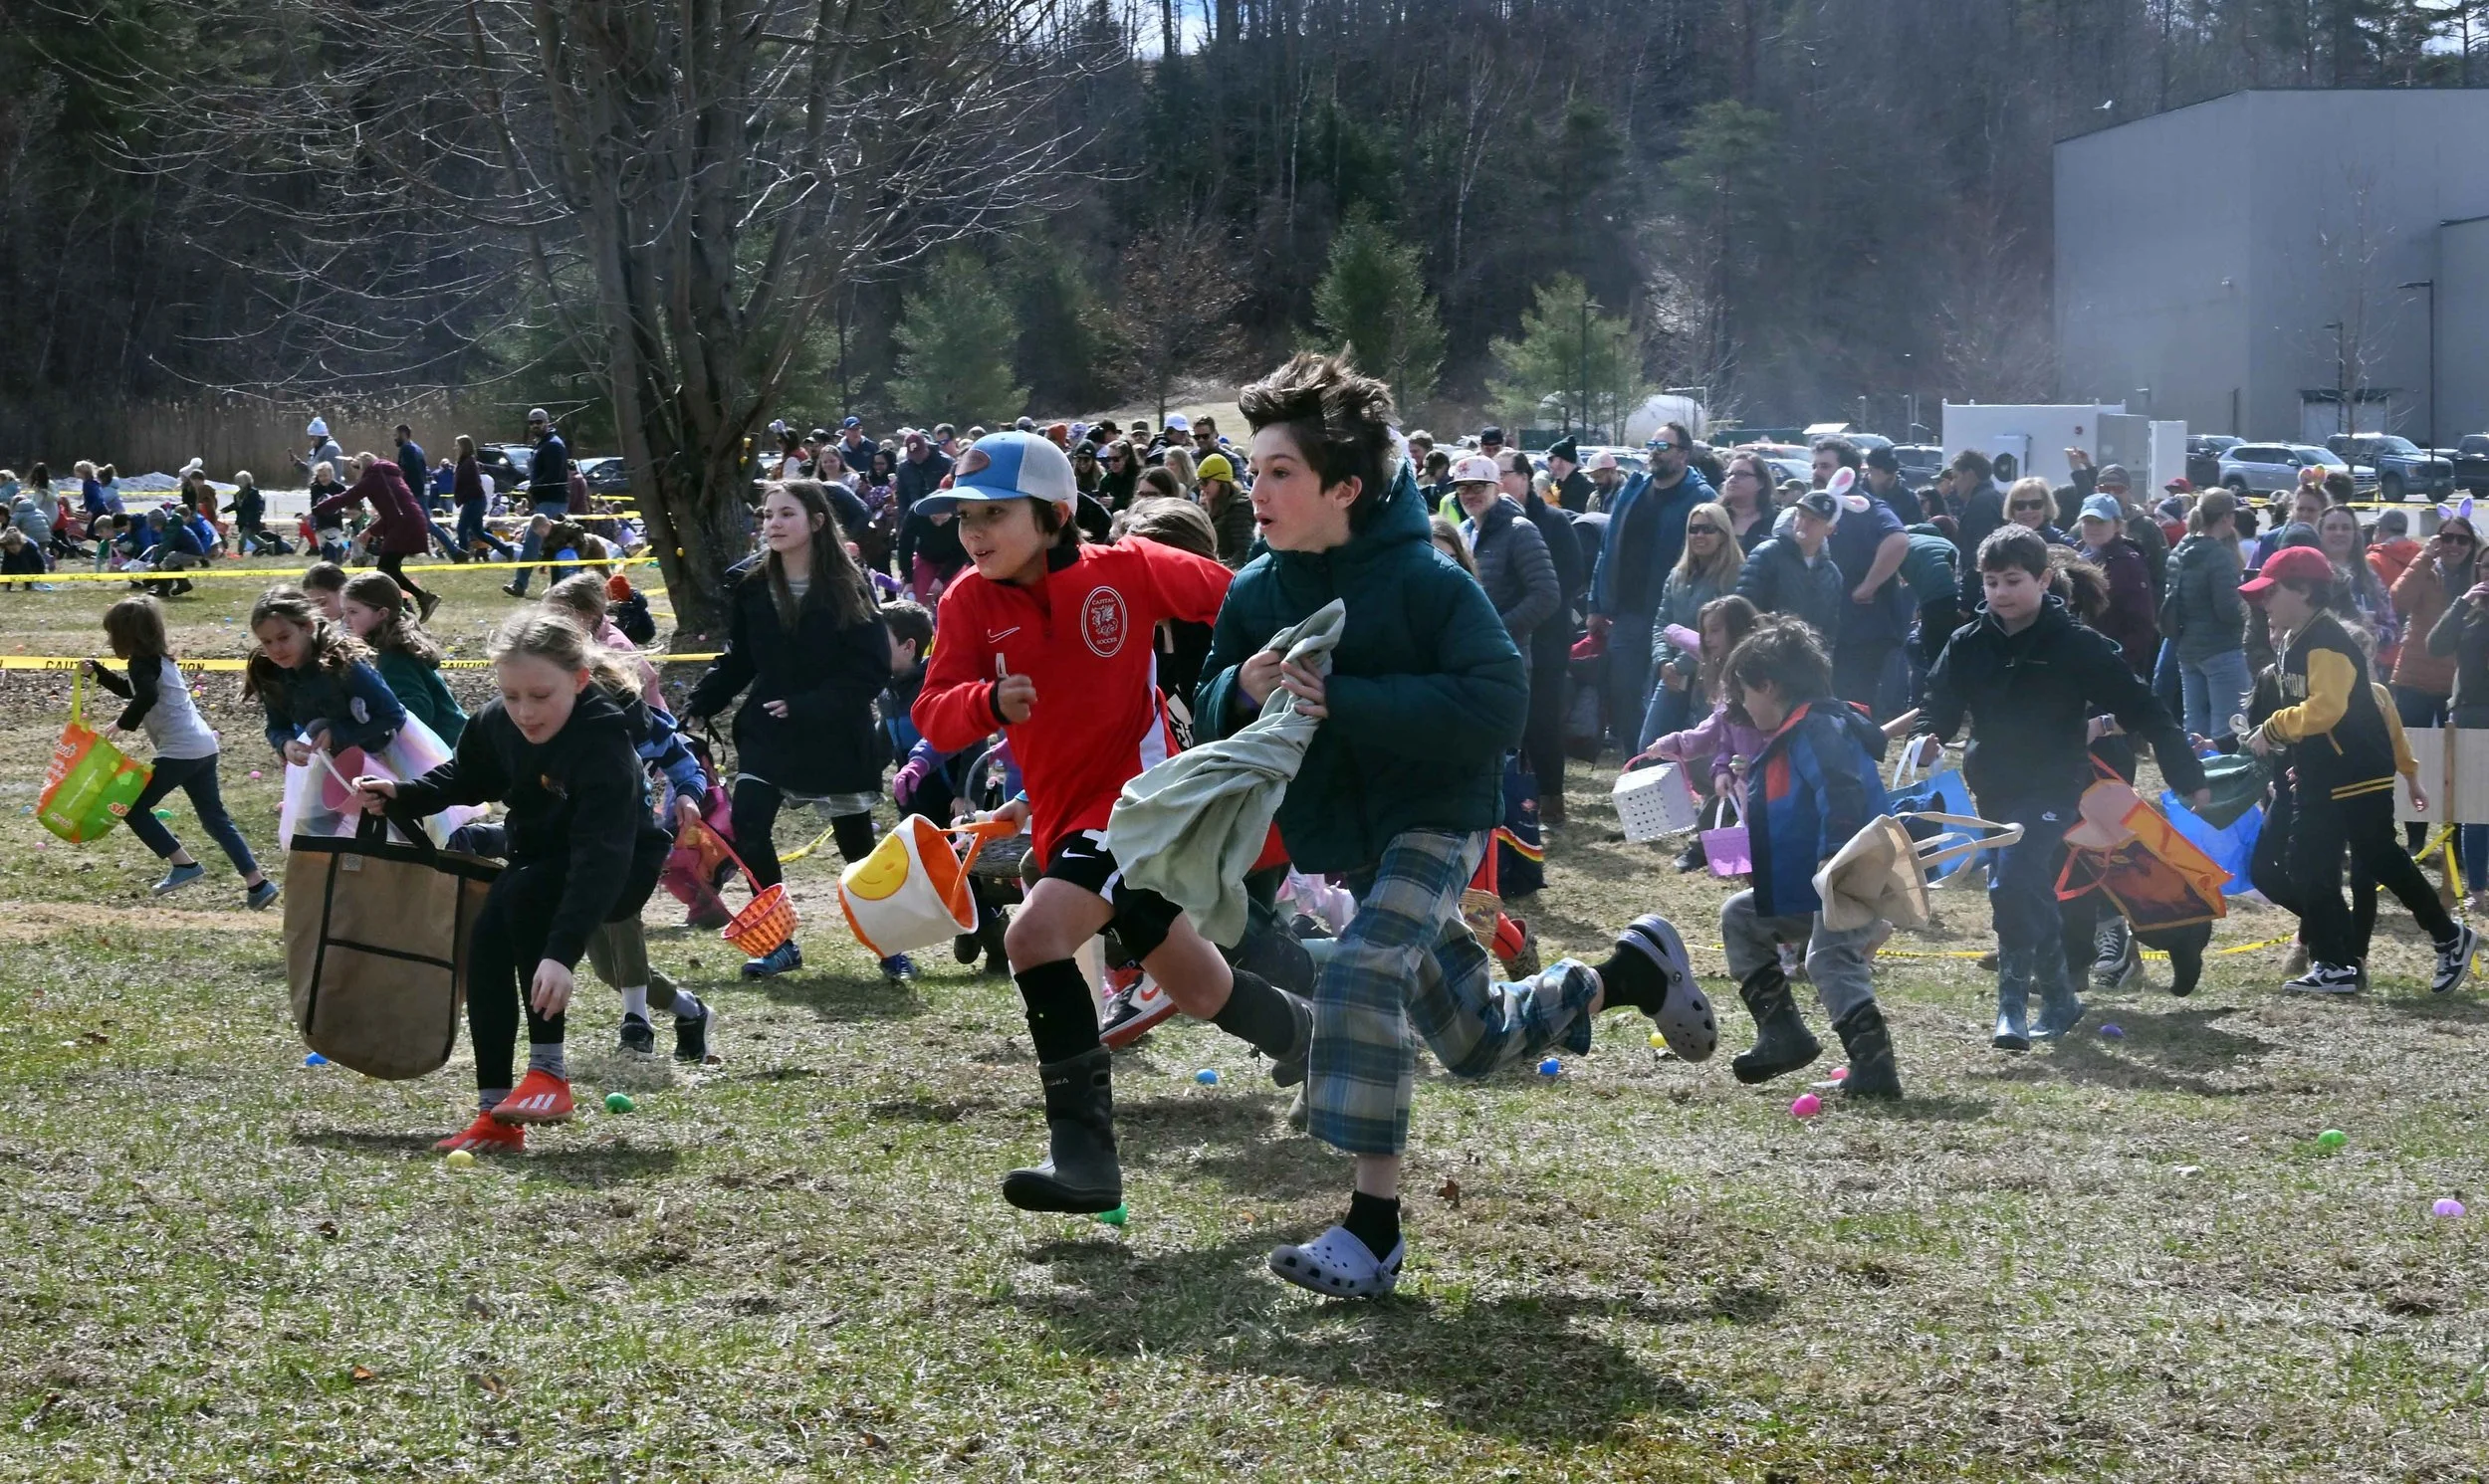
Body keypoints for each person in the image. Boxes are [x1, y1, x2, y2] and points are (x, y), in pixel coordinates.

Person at [1197, 355, 1714, 1299]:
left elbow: (1498, 702)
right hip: (1351, 839)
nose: (1254, 488)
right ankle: (1630, 971)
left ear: (1344, 487)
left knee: (1357, 973)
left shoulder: (1428, 580)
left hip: (1438, 818)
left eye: (1280, 471)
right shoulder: (1253, 591)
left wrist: (1346, 697)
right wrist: (1242, 685)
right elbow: (1207, 705)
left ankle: (1372, 1233)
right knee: (1474, 1042)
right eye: (1253, 465)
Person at [911, 429, 1316, 1217]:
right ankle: (1311, 1034)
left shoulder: (1126, 569)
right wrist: (987, 703)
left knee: (1033, 935)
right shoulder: (965, 599)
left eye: (994, 513)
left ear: (1056, 513)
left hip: (1144, 806)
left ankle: (1084, 1157)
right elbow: (934, 709)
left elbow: (1241, 594)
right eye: (962, 516)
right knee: (1195, 985)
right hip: (1064, 819)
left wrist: (1260, 666)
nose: (973, 533)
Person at [352, 609, 674, 1153]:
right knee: (486, 942)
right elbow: (469, 775)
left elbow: (602, 853)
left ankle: (549, 1075)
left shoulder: (601, 739)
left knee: (522, 896)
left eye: (540, 696)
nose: (524, 711)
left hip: (619, 867)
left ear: (578, 680)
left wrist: (562, 953)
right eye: (511, 694)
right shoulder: (497, 721)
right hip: (541, 857)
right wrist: (404, 795)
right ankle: (495, 1117)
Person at [1912, 527, 2208, 1049]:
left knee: (2015, 879)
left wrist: (2187, 775)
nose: (2001, 593)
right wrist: (1926, 736)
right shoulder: (1967, 643)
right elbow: (1940, 701)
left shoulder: (2076, 645)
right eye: (1991, 582)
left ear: (2045, 579)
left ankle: (2015, 1006)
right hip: (1995, 783)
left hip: (2054, 783)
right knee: (2018, 886)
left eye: (2013, 580)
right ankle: (2060, 997)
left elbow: (2147, 709)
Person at [683, 481, 905, 981]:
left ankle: (889, 945)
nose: (774, 524)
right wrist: (700, 706)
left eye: (786, 514)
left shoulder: (851, 584)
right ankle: (779, 943)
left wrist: (809, 706)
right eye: (767, 515)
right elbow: (739, 659)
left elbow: (870, 670)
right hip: (768, 729)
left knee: (855, 850)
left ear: (817, 522)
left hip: (836, 731)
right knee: (751, 825)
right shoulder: (751, 585)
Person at [2244, 545, 2477, 992]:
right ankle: (2342, 963)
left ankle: (2434, 941)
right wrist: (2301, 759)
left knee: (2365, 858)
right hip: (2325, 773)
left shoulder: (2325, 640)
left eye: (2272, 592)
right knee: (2318, 863)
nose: (2263, 602)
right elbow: (2309, 712)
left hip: (2355, 771)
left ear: (2305, 591)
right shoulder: (2295, 639)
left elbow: (2326, 709)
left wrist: (2273, 729)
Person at [1711, 616, 1905, 1096]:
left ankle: (1875, 1070)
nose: (1743, 707)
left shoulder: (1820, 728)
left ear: (1769, 685)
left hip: (1850, 871)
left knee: (1830, 956)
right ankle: (1783, 1036)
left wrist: (1834, 858)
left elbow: (1842, 792)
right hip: (1811, 882)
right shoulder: (1793, 733)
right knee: (1741, 916)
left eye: (1745, 694)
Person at [86, 596, 280, 906]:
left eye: (112, 634)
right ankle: (258, 884)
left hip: (180, 751)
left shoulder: (141, 664)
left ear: (125, 634)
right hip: (203, 747)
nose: (110, 640)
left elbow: (145, 695)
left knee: (133, 809)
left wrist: (122, 724)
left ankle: (183, 864)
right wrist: (98, 671)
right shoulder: (159, 660)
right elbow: (133, 691)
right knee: (215, 819)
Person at [1589, 423, 1713, 752]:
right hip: (1628, 614)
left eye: (1664, 446)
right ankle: (1637, 768)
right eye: (1652, 444)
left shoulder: (1701, 498)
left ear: (1683, 454)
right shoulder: (1634, 490)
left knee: (1668, 701)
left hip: (1677, 618)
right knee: (1626, 696)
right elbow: (1608, 548)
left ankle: (1671, 773)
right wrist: (1596, 604)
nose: (1654, 451)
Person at [245, 585, 408, 782]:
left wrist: (338, 732)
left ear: (308, 627)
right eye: (267, 642)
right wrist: (285, 744)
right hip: (329, 766)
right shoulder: (271, 674)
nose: (276, 649)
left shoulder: (343, 665)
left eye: (283, 637)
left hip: (381, 759)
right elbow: (277, 726)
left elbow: (392, 714)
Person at [1504, 448, 1586, 820]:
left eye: (1504, 474)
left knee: (1542, 720)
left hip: (1547, 639)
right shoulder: (1491, 526)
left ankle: (1552, 799)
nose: (1499, 482)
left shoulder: (1553, 522)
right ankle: (1517, 800)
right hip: (1506, 641)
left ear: (1524, 476)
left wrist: (1530, 612)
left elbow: (1569, 578)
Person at [1814, 443, 1911, 718]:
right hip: (1832, 629)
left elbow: (1898, 540)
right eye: (1815, 466)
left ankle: (1854, 758)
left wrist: (1868, 585)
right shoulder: (1822, 507)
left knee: (1851, 706)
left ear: (1846, 472)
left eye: (1825, 466)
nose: (1817, 472)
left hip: (1862, 631)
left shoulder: (1863, 507)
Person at [1643, 500, 1745, 753]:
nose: (1699, 535)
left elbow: (1728, 632)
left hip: (1714, 676)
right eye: (1694, 528)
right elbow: (1661, 623)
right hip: (1672, 674)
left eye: (1708, 529)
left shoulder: (1736, 575)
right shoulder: (1677, 575)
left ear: (1723, 535)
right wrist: (1663, 662)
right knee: (1651, 745)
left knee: (1708, 753)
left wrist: (1680, 666)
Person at [1453, 455, 1560, 667]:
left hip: (1507, 658)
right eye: (1462, 488)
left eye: (1478, 487)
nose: (1469, 495)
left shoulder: (1520, 530)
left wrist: (1497, 631)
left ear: (1498, 488)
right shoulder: (1463, 531)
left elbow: (1547, 595)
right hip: (1468, 656)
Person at [2427, 550, 2489, 911]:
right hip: (2470, 716)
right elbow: (2435, 646)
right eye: (2485, 566)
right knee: (2476, 808)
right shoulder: (2468, 613)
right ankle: (2478, 892)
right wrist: (2462, 603)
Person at [339, 572, 467, 746]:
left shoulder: (395, 656)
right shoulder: (389, 646)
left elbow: (419, 707)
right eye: (344, 612)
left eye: (353, 612)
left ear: (382, 614)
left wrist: (375, 718)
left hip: (448, 747)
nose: (345, 620)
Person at [2162, 489, 2252, 739]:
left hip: (2187, 647)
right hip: (2222, 648)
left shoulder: (2179, 551)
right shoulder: (2219, 556)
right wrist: (2251, 609)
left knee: (2195, 726)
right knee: (2228, 727)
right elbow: (2228, 611)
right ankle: (2220, 776)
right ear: (2227, 517)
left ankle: (2194, 775)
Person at [1733, 484, 1847, 646]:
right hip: (1763, 655)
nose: (1804, 524)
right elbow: (1743, 609)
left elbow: (1829, 632)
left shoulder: (1831, 574)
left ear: (1829, 529)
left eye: (1814, 520)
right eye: (1801, 515)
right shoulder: (1768, 554)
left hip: (1805, 663)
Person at [2076, 494, 2157, 677]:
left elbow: (2142, 624)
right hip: (2080, 661)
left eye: (2100, 522)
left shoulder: (2127, 562)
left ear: (2117, 525)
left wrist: (2117, 658)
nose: (2093, 528)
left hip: (2112, 664)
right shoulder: (2076, 556)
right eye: (2088, 521)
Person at [503, 408, 573, 597]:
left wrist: (532, 487)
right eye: (532, 423)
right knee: (554, 544)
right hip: (546, 500)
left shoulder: (553, 445)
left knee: (532, 540)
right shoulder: (543, 444)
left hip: (553, 501)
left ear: (547, 423)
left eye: (539, 422)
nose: (535, 425)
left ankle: (520, 585)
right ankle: (558, 588)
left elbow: (553, 476)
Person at [452, 435, 518, 561]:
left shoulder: (469, 463)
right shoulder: (466, 462)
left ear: (464, 447)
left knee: (461, 529)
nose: (455, 448)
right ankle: (506, 550)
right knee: (479, 533)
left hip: (474, 501)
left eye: (457, 445)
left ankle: (462, 557)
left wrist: (464, 497)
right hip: (474, 500)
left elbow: (472, 484)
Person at [1196, 452, 1254, 568]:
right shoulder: (1216, 506)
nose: (1201, 487)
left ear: (1220, 481)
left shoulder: (1239, 508)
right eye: (1199, 482)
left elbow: (1244, 551)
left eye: (1204, 482)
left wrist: (1224, 571)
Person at [1715, 452, 1774, 551]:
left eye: (1741, 474)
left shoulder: (1774, 520)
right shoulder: (1713, 516)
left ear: (1761, 483)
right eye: (1729, 474)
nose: (1732, 479)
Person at [1545, 437, 1593, 515]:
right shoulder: (1556, 485)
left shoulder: (1584, 486)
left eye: (1551, 459)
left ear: (1562, 459)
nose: (1548, 464)